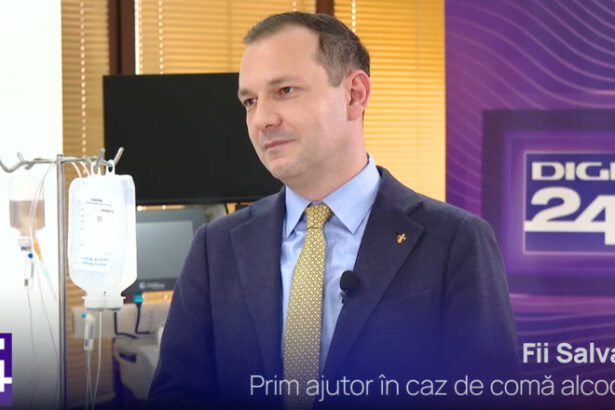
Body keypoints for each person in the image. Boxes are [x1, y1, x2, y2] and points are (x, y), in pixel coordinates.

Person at [148, 12, 518, 409]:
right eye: (250, 101)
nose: (262, 120)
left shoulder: (454, 241)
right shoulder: (216, 247)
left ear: (354, 95)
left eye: (285, 90)